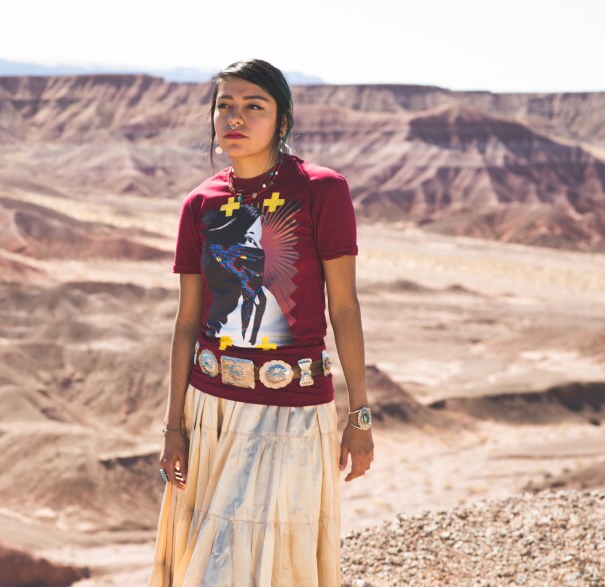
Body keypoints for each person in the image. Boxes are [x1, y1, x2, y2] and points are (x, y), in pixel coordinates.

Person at [149, 59, 374, 586]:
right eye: (225, 105)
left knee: (273, 565)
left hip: (292, 411)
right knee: (211, 565)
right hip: (212, 411)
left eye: (254, 106)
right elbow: (186, 323)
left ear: (282, 118)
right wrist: (174, 426)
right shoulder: (200, 204)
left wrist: (359, 416)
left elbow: (344, 307)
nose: (236, 117)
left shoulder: (322, 190)